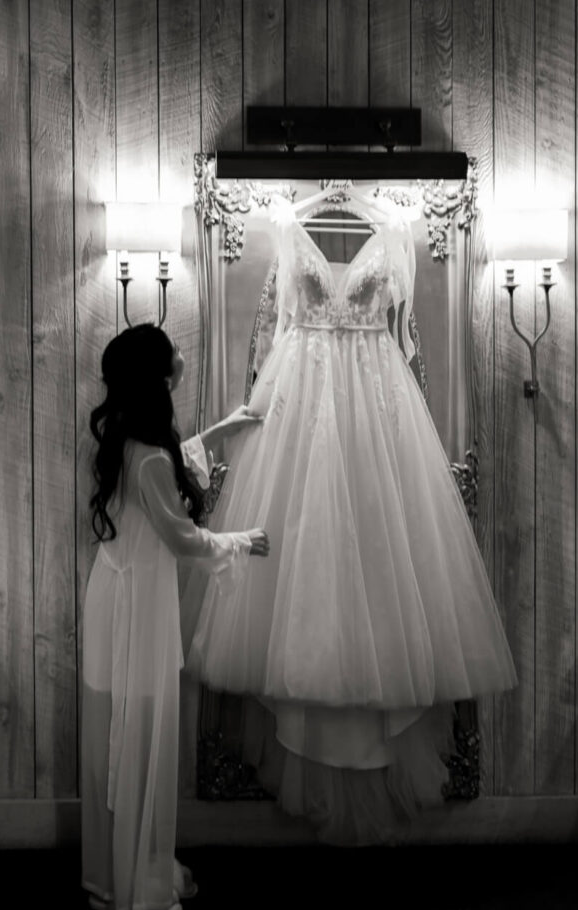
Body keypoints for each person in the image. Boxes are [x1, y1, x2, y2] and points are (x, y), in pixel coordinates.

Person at [182, 194, 518, 844]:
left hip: (378, 411)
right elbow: (278, 329)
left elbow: (402, 338)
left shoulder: (395, 224)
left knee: (378, 554)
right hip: (302, 407)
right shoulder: (286, 222)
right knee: (308, 555)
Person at [81, 323, 268, 910]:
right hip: (137, 607)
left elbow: (158, 477)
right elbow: (183, 537)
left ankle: (117, 871)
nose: (183, 357)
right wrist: (243, 541)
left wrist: (220, 432)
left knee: (120, 728)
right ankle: (140, 884)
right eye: (174, 353)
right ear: (159, 376)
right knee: (139, 731)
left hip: (115, 592)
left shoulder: (126, 437)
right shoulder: (150, 456)